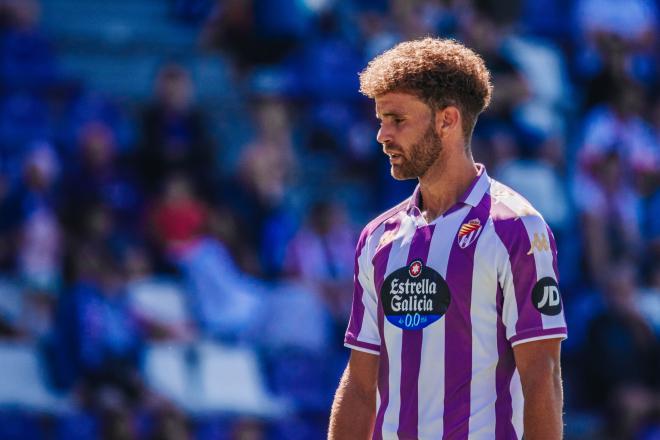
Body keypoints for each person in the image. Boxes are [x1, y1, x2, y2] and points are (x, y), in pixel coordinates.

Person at [328, 38, 567, 439]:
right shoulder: (378, 238)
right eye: (380, 120)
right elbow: (361, 382)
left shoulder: (517, 229)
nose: (381, 135)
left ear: (447, 120)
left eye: (396, 120)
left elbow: (542, 376)